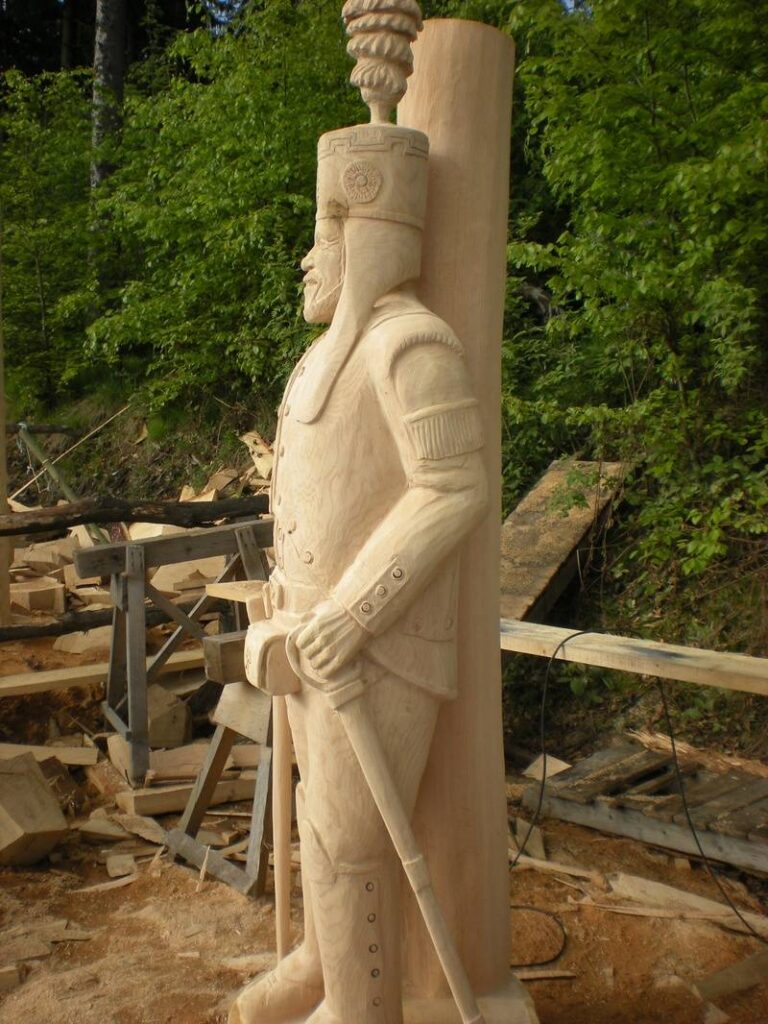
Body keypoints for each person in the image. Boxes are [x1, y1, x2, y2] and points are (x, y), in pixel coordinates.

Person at [230, 121, 488, 1024]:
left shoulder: (413, 346)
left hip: (379, 640)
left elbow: (455, 487)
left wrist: (353, 610)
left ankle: (359, 1008)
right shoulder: (325, 354)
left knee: (351, 839)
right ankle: (325, 966)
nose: (310, 257)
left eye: (329, 232)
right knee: (315, 826)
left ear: (374, 238)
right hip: (305, 631)